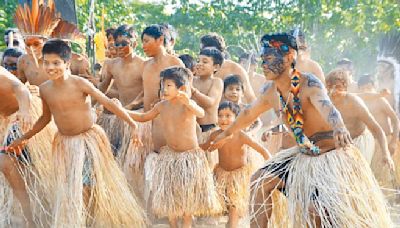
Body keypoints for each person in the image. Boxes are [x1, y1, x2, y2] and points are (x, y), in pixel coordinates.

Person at [210, 33, 392, 227]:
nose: (264, 64)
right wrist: (226, 133)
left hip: (330, 156)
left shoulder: (309, 83)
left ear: (289, 58)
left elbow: (327, 107)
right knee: (259, 181)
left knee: (316, 213)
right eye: (263, 59)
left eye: (269, 58)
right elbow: (247, 113)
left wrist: (339, 127)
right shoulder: (269, 92)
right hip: (302, 154)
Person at [8, 39, 145, 227]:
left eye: (56, 63)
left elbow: (107, 102)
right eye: (46, 62)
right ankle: (80, 219)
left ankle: (91, 219)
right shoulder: (45, 89)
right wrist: (24, 138)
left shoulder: (79, 83)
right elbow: (45, 119)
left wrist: (133, 125)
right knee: (73, 185)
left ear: (67, 63)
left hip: (88, 141)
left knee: (87, 184)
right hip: (65, 143)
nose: (50, 67)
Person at [128, 66, 221, 228]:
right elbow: (143, 117)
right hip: (170, 157)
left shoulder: (187, 105)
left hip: (189, 158)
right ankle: (173, 225)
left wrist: (189, 102)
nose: (164, 89)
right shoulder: (161, 106)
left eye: (169, 85)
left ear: (182, 88)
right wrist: (120, 110)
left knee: (187, 198)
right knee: (170, 197)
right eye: (163, 85)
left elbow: (201, 113)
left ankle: (186, 224)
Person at [201, 101, 270, 228]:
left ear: (236, 118)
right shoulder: (215, 135)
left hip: (239, 177)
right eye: (220, 115)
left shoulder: (241, 135)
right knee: (226, 207)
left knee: (234, 207)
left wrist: (270, 165)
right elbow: (204, 147)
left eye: (228, 116)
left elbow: (262, 150)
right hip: (221, 175)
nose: (223, 119)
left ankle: (233, 224)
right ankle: (231, 223)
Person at [326, 69, 393, 165]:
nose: (333, 91)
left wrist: (386, 153)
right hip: (340, 144)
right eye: (329, 87)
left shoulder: (355, 103)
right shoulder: (324, 102)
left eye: (338, 87)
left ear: (345, 88)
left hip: (360, 141)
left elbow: (377, 129)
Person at [141, 24, 184, 152]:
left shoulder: (175, 63)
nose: (143, 46)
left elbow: (186, 92)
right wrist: (132, 105)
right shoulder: (145, 65)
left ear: (160, 40)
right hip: (147, 121)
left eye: (146, 41)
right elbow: (144, 91)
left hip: (168, 121)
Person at [358, 74, 400, 194]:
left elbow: (396, 120)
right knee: (374, 177)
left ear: (373, 87)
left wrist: (393, 142)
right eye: (363, 88)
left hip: (386, 141)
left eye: (368, 87)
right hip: (371, 143)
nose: (366, 90)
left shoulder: (381, 100)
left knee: (388, 178)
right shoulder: (360, 102)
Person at [200, 33, 256, 102]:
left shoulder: (235, 69)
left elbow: (251, 98)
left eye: (204, 51)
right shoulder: (199, 69)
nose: (202, 53)